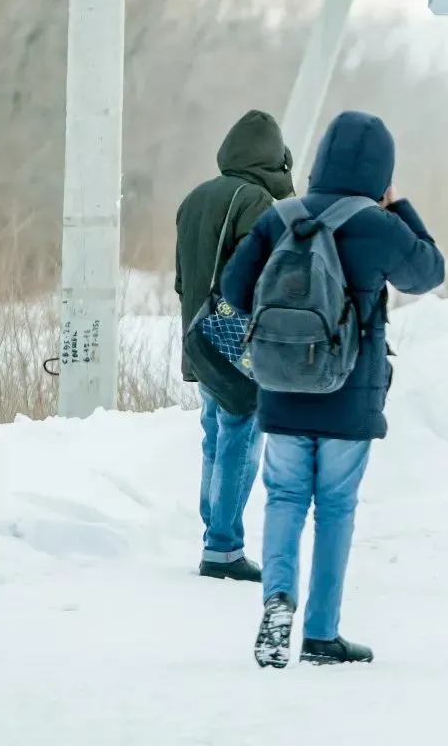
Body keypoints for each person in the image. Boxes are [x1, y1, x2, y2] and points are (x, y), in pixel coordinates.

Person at [222, 111, 445, 667]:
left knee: (285, 497)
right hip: (350, 390)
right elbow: (429, 273)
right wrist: (399, 207)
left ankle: (277, 599)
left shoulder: (281, 217)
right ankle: (322, 633)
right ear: (381, 172)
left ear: (320, 160)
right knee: (336, 507)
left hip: (283, 385)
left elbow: (232, 289)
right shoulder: (378, 225)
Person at [174, 109, 294, 582]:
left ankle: (214, 533)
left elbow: (183, 280)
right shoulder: (257, 202)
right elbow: (262, 278)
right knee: (240, 438)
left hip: (200, 338)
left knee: (214, 435)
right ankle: (223, 547)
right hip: (239, 344)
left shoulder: (195, 198)